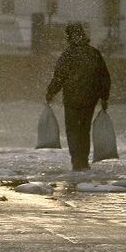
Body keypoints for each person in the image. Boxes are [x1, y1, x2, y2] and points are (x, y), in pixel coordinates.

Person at [45, 23, 111, 171]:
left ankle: (76, 162)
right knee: (84, 129)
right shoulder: (94, 53)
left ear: (69, 37)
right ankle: (84, 162)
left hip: (72, 98)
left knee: (73, 130)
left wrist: (50, 92)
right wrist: (104, 97)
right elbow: (104, 77)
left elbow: (59, 77)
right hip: (90, 98)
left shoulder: (68, 55)